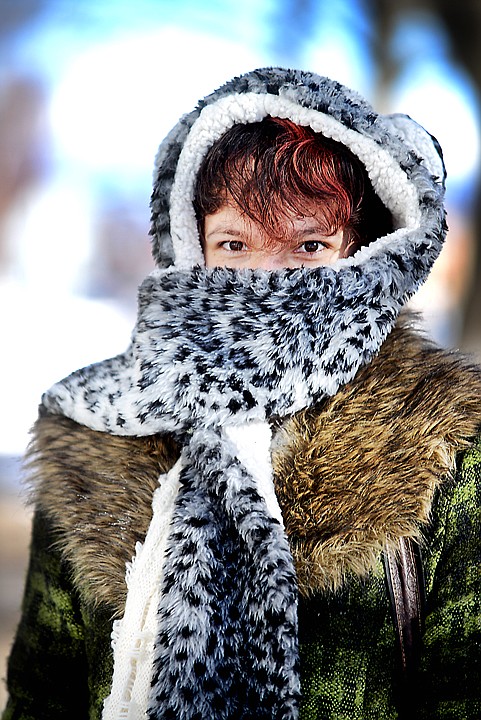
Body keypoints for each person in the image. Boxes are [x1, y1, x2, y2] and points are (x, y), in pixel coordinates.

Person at [3, 67, 481, 720]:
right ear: (192, 245)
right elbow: (41, 696)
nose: (266, 278)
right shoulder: (97, 431)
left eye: (308, 244)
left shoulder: (441, 433)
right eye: (235, 243)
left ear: (366, 255)